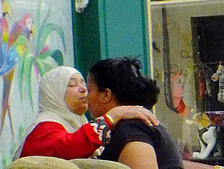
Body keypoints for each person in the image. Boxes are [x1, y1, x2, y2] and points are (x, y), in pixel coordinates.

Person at [87, 57, 195, 169]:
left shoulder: (131, 129)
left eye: (89, 91)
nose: (86, 97)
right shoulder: (132, 126)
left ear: (106, 95)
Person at [15, 66, 157, 160]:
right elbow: (69, 148)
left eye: (83, 84)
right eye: (72, 85)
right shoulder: (43, 128)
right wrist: (113, 115)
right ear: (53, 95)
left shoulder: (79, 123)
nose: (83, 89)